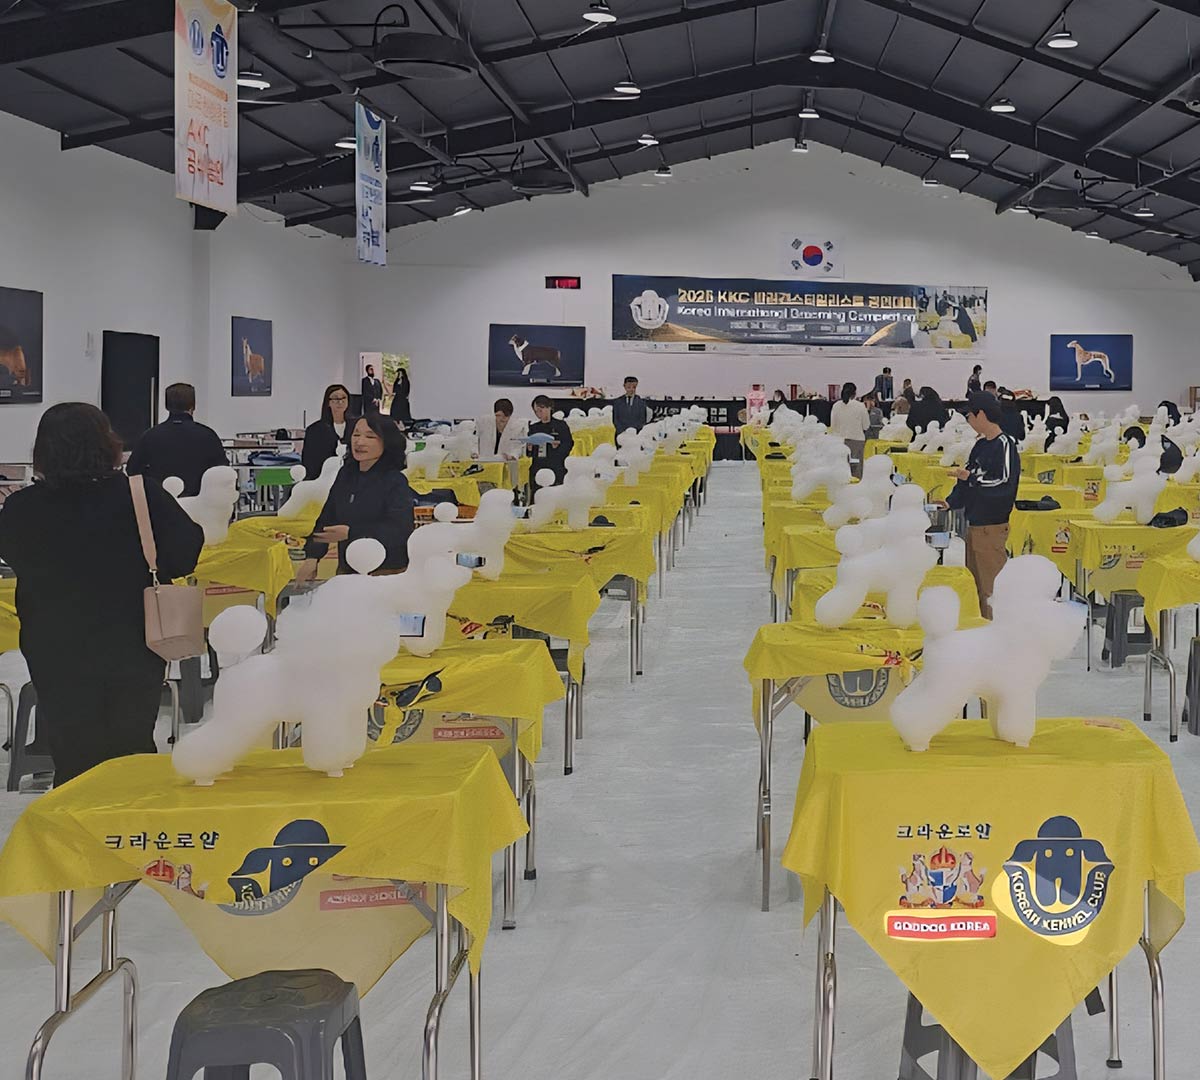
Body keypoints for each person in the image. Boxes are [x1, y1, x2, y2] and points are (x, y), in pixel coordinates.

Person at [0, 403, 204, 783]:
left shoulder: (21, 508)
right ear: (106, 442)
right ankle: (129, 817)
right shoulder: (140, 495)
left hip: (54, 644)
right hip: (135, 639)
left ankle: (76, 817)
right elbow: (184, 555)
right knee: (132, 745)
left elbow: (14, 557)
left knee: (71, 750)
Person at [296, 413, 414, 580]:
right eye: (356, 434)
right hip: (348, 570)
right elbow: (327, 518)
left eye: (370, 436)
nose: (359, 442)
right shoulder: (346, 474)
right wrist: (312, 557)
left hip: (387, 573)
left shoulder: (395, 481)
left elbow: (399, 530)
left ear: (386, 442)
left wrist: (352, 533)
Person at [946, 392, 1020, 618]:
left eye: (969, 416)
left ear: (981, 414)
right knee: (975, 588)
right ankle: (982, 630)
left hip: (992, 527)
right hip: (975, 525)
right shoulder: (979, 446)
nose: (968, 421)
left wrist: (972, 479)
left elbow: (1005, 483)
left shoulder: (1005, 444)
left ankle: (998, 631)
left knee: (992, 590)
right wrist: (950, 502)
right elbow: (966, 480)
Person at [126, 382, 228, 497]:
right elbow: (223, 470)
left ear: (167, 406)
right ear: (193, 406)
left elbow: (132, 470)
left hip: (160, 501)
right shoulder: (208, 435)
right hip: (198, 502)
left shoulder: (150, 435)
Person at [301, 384, 352, 480]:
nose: (340, 402)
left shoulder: (357, 426)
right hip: (323, 480)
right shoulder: (315, 430)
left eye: (344, 398)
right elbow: (309, 461)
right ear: (328, 402)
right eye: (336, 398)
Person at [528, 394, 574, 487]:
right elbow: (529, 453)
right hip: (538, 466)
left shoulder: (561, 425)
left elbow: (568, 444)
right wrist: (529, 448)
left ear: (549, 408)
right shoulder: (534, 428)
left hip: (556, 466)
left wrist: (558, 446)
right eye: (536, 411)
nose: (538, 414)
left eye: (541, 410)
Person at [830, 382, 870, 477]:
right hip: (856, 441)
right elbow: (866, 425)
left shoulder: (836, 406)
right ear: (854, 393)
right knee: (855, 471)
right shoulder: (860, 406)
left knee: (841, 470)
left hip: (839, 441)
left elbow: (833, 425)